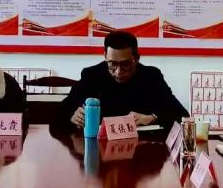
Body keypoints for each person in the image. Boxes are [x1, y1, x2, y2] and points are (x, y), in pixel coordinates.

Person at [61, 30, 189, 130]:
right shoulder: (92, 75)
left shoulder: (151, 77)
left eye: (125, 64)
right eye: (112, 64)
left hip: (142, 148)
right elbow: (61, 111)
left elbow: (182, 115)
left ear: (136, 58)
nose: (118, 72)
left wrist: (153, 118)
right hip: (100, 149)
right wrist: (73, 116)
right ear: (105, 56)